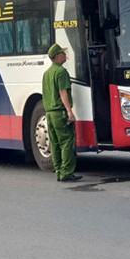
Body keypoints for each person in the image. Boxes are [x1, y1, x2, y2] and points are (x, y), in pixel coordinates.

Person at [42, 44, 81, 182]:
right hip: (60, 112)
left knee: (55, 143)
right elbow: (63, 92)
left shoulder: (47, 73)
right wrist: (70, 111)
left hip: (49, 113)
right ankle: (67, 172)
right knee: (67, 141)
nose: (65, 55)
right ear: (58, 56)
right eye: (63, 53)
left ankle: (58, 171)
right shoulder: (61, 72)